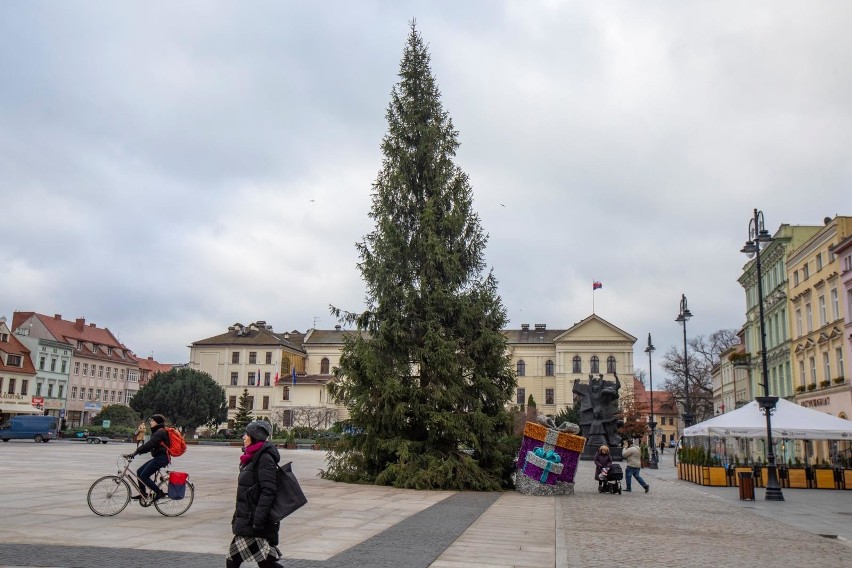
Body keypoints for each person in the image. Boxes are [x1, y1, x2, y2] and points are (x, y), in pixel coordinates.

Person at [226, 420, 283, 568]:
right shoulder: (252, 457)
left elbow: (268, 490)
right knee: (265, 563)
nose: (244, 437)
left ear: (255, 437)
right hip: (249, 519)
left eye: (247, 434)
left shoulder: (264, 458)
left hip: (254, 522)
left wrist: (258, 520)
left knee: (233, 562)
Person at [123, 414, 170, 502]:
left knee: (144, 476)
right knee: (139, 472)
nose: (150, 423)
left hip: (162, 458)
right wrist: (136, 452)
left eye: (152, 421)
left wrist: (136, 452)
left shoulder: (160, 432)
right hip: (159, 457)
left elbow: (149, 445)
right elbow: (151, 446)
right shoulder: (158, 431)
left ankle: (159, 493)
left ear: (158, 422)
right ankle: (143, 494)